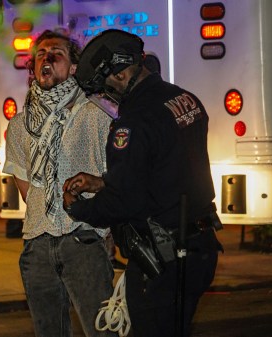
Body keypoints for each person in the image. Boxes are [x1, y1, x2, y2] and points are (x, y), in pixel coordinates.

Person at [63, 29, 223, 337]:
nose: (106, 96)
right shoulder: (183, 98)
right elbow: (166, 169)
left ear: (121, 74)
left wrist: (78, 208)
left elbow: (123, 203)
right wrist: (103, 182)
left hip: (164, 261)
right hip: (200, 247)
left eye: (104, 88)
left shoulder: (132, 123)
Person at [2, 30, 116, 337]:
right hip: (37, 244)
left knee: (101, 330)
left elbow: (116, 179)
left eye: (57, 53)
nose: (47, 59)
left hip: (83, 239)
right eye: (40, 54)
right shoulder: (20, 124)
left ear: (75, 67)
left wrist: (106, 230)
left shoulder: (97, 114)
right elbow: (28, 192)